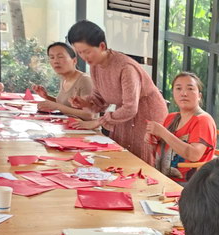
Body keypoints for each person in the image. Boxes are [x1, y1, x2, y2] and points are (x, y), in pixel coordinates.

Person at [65, 20, 167, 165]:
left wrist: (98, 122)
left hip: (147, 113)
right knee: (121, 157)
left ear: (102, 46)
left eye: (87, 51)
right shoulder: (95, 65)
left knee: (138, 161)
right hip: (125, 112)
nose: (84, 57)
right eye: (80, 52)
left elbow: (130, 108)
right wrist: (85, 102)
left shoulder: (126, 68)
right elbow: (99, 98)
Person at [146, 71, 217, 180]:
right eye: (178, 88)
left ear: (199, 96)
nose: (184, 93)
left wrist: (162, 132)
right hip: (162, 178)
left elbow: (194, 155)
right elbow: (160, 148)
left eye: (190, 89)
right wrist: (152, 138)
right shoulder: (171, 118)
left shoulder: (203, 120)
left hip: (188, 185)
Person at [30, 42, 94, 120]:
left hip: (85, 127)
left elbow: (90, 115)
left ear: (74, 60)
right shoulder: (64, 79)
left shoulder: (85, 80)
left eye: (60, 57)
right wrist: (46, 97)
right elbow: (64, 105)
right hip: (68, 125)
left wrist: (57, 107)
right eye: (52, 57)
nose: (55, 61)